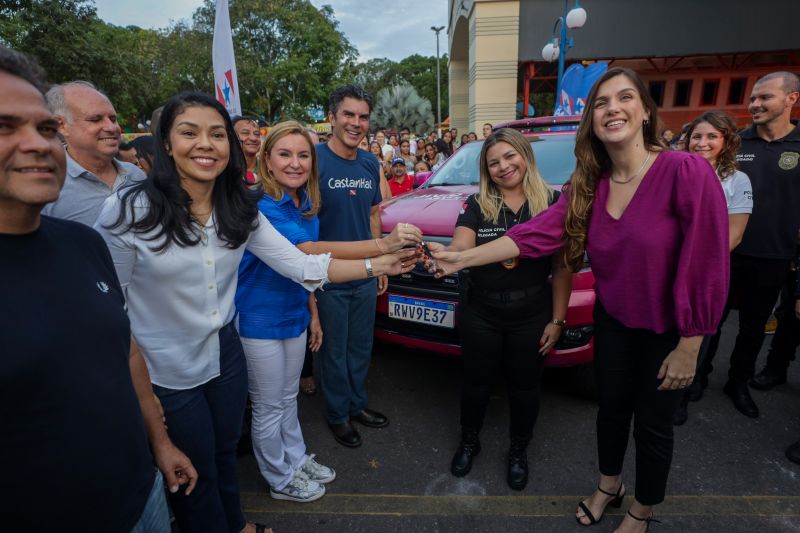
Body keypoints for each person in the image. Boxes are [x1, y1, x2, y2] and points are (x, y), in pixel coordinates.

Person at [94, 91, 413, 532]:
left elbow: (301, 264)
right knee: (195, 465)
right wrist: (145, 401)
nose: (205, 144)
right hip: (166, 368)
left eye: (216, 134)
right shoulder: (128, 210)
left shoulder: (240, 207)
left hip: (224, 353)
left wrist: (380, 264)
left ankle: (238, 523)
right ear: (166, 143)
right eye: (189, 132)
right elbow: (112, 311)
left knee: (225, 450)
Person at [427, 67, 728, 531]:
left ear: (645, 111)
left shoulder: (685, 171)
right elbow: (533, 235)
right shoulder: (589, 185)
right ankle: (610, 485)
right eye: (601, 103)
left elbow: (708, 259)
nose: (612, 109)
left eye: (624, 98)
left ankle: (642, 509)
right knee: (610, 412)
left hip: (667, 331)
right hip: (614, 321)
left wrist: (692, 343)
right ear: (591, 121)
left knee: (652, 426)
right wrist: (458, 261)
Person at [0, 45, 197, 533]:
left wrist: (160, 442)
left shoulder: (85, 243)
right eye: (6, 127)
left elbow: (123, 345)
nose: (38, 143)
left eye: (43, 128)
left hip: (141, 498)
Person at [236, 120, 421, 501]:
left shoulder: (304, 201)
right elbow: (307, 256)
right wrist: (383, 250)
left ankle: (296, 459)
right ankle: (279, 478)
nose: (295, 163)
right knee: (269, 407)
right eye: (284, 154)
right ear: (267, 161)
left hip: (294, 313)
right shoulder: (261, 205)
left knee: (287, 399)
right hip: (260, 319)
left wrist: (313, 312)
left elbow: (302, 273)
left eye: (303, 155)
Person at [431, 128, 571, 491]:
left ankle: (518, 450)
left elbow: (562, 268)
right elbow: (462, 243)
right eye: (493, 162)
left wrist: (557, 320)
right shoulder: (477, 204)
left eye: (510, 156)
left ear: (526, 156)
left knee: (525, 387)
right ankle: (469, 440)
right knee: (476, 383)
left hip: (531, 312)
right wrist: (449, 256)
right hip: (482, 313)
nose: (503, 166)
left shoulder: (553, 203)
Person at [315, 84, 400, 447]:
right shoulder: (313, 160)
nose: (356, 123)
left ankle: (356, 405)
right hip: (328, 275)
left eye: (363, 116)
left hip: (365, 274)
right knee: (333, 350)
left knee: (361, 346)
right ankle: (338, 414)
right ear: (332, 117)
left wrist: (379, 265)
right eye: (348, 115)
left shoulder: (369, 162)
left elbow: (374, 213)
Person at [716, 71, 800, 418]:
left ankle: (738, 381)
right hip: (725, 253)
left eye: (764, 97)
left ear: (791, 99)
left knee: (753, 326)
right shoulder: (736, 143)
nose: (755, 104)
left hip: (774, 256)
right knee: (711, 321)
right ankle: (694, 380)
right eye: (753, 98)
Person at [672, 109, 753, 425]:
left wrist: (696, 257)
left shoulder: (737, 179)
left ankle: (684, 392)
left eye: (711, 137)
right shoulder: (676, 171)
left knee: (700, 331)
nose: (702, 143)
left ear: (726, 141)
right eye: (696, 136)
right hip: (671, 267)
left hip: (706, 271)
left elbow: (735, 234)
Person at [41, 81, 145, 226]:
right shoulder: (45, 182)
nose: (111, 127)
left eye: (113, 119)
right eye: (95, 119)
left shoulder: (136, 175)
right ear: (61, 125)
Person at [233, 115, 261, 183]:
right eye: (245, 133)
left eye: (257, 134)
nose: (253, 138)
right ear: (232, 138)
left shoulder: (269, 169)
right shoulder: (223, 170)